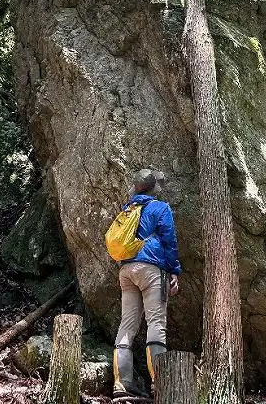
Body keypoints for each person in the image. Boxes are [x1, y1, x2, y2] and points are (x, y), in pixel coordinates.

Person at [113, 169, 182, 398]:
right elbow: (169, 241)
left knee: (127, 325)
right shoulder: (160, 208)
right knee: (156, 322)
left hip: (126, 270)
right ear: (155, 188)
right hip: (151, 269)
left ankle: (122, 383)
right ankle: (160, 383)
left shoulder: (128, 209)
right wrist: (174, 270)